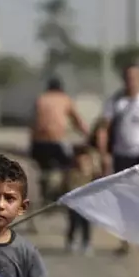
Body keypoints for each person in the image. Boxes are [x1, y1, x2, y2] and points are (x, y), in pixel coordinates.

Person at [95, 63, 139, 255]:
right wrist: (104, 155)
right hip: (120, 156)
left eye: (135, 77)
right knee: (123, 200)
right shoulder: (115, 102)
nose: (131, 81)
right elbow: (103, 129)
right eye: (128, 77)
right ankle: (125, 240)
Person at [28, 76, 88, 205]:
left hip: (38, 143)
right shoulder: (64, 99)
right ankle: (64, 194)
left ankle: (45, 193)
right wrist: (88, 134)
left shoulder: (40, 99)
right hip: (57, 141)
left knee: (44, 168)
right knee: (69, 165)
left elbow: (32, 122)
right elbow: (77, 121)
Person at [65, 144, 94, 255]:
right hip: (74, 203)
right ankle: (71, 241)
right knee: (74, 222)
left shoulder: (91, 173)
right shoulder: (72, 172)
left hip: (87, 203)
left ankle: (86, 242)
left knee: (86, 223)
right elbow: (69, 186)